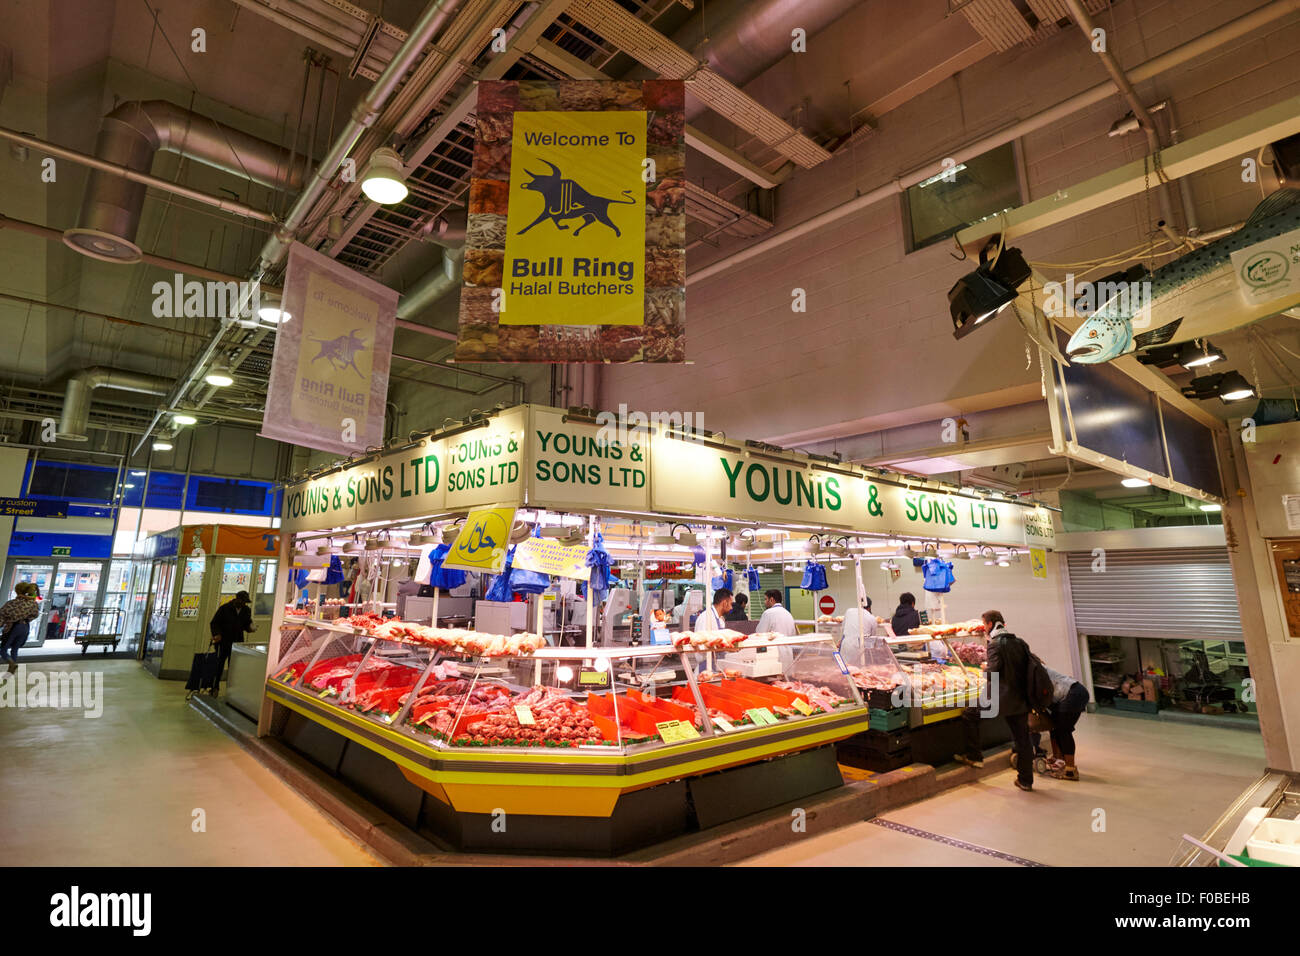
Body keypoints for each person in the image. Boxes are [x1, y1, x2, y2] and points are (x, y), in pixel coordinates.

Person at [982, 609, 1035, 792]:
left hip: (1007, 698)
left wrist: (984, 669)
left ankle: (1025, 779)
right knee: (1023, 737)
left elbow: (994, 672)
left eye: (984, 624)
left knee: (1020, 738)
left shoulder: (995, 644)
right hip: (1022, 696)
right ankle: (1025, 776)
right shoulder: (1019, 642)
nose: (984, 628)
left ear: (990, 624)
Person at [1042, 662, 1089, 780]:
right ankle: (1059, 759)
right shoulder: (1035, 668)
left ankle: (1070, 770)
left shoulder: (1036, 669)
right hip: (1070, 694)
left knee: (1063, 731)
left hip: (1073, 694)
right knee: (1055, 727)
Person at [209, 591, 255, 695]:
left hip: (237, 643)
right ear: (237, 599)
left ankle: (231, 690)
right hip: (223, 642)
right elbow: (214, 623)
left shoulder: (246, 610)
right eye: (242, 601)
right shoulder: (224, 608)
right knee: (218, 666)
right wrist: (217, 634)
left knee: (234, 667)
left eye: (245, 602)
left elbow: (246, 624)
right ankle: (214, 687)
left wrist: (250, 628)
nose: (244, 604)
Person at [0, 582, 42, 674]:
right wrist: (26, 619)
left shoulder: (12, 603)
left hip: (14, 627)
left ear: (17, 591)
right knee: (15, 649)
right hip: (25, 627)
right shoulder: (32, 603)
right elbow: (35, 614)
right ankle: (10, 671)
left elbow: (2, 615)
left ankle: (11, 663)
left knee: (3, 649)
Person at [838, 597, 878, 668]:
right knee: (857, 672)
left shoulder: (849, 611)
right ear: (869, 607)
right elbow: (872, 637)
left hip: (846, 645)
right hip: (860, 648)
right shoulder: (871, 618)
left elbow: (843, 628)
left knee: (845, 670)